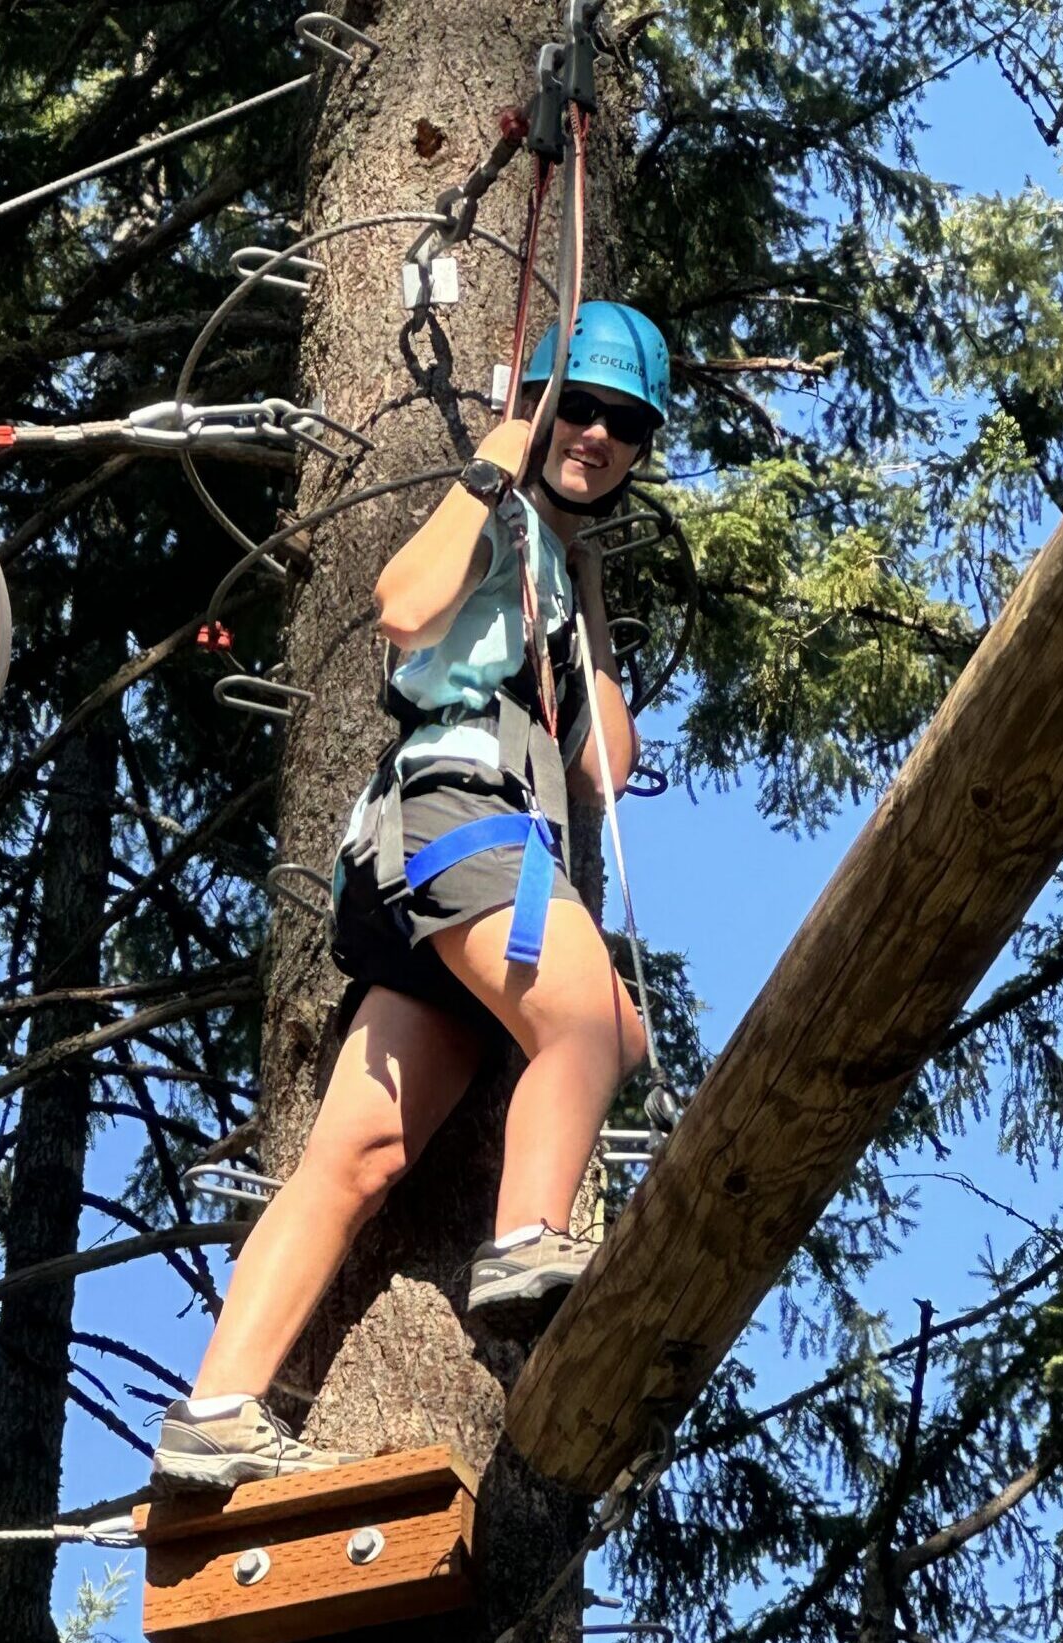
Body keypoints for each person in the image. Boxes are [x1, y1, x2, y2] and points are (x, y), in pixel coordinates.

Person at [152, 303, 668, 1491]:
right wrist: (496, 455)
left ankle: (216, 1406)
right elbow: (401, 602)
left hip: (435, 863)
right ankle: (530, 1240)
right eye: (574, 407)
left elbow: (605, 768)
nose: (595, 433)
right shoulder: (492, 516)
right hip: (458, 815)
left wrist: (583, 588)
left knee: (361, 1155)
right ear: (538, 408)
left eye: (622, 422)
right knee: (593, 1024)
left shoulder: (552, 555)